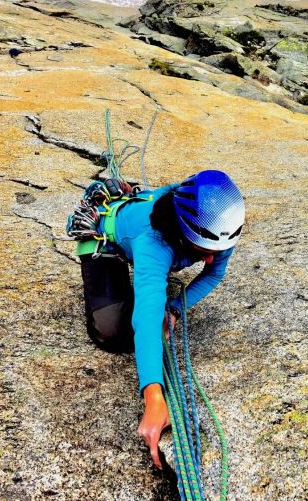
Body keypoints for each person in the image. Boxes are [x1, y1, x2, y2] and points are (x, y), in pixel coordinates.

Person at [78, 169, 245, 470]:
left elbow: (214, 273)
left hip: (156, 228)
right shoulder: (153, 244)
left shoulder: (217, 226)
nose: (211, 258)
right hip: (105, 239)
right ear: (182, 230)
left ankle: (127, 196)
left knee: (150, 304)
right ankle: (108, 200)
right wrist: (154, 396)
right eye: (203, 250)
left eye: (217, 250)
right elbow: (147, 319)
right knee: (113, 332)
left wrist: (176, 308)